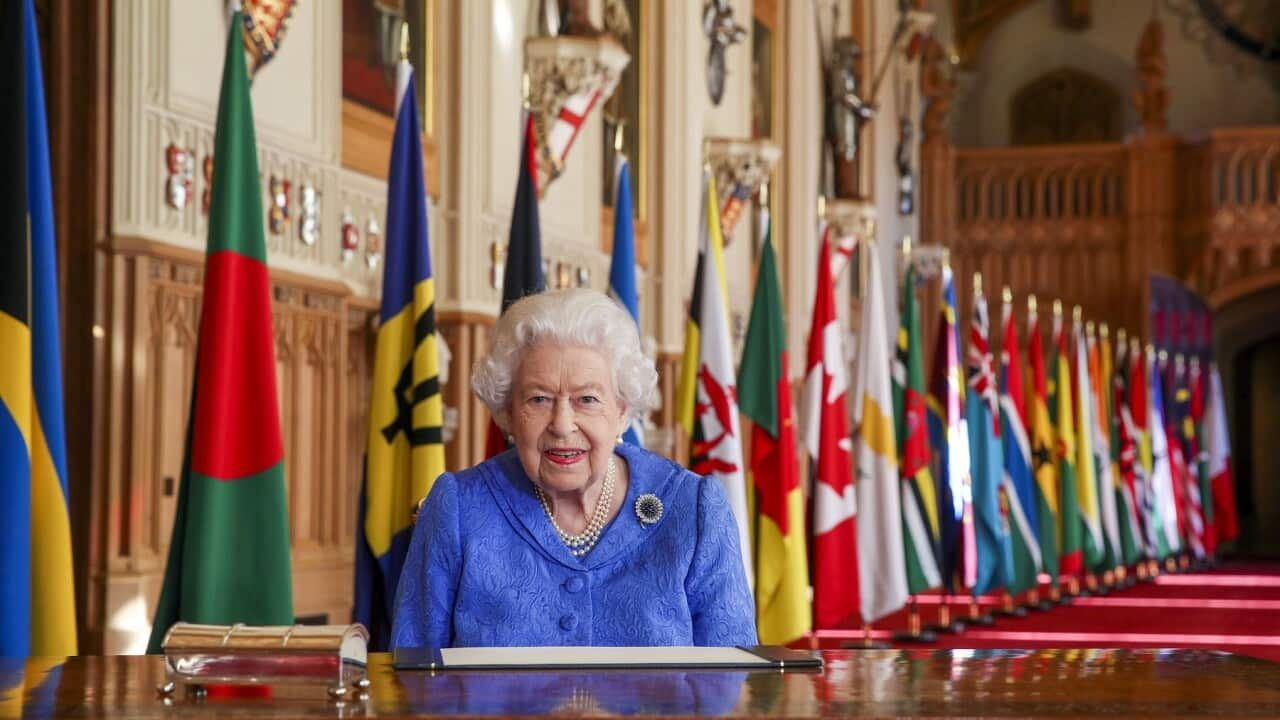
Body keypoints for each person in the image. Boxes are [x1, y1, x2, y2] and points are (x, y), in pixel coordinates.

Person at [389, 289, 756, 648]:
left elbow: (734, 685)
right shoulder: (459, 509)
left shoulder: (692, 511)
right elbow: (412, 678)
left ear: (622, 410)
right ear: (508, 413)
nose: (562, 425)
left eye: (587, 400)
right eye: (539, 399)